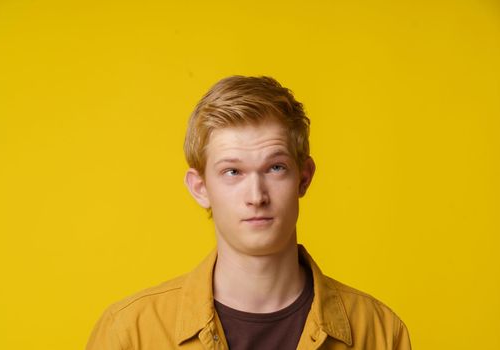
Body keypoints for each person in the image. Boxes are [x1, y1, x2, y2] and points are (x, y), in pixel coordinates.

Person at [86, 76, 411, 350]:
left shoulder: (379, 332)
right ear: (200, 188)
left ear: (304, 177)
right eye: (233, 172)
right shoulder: (130, 333)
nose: (256, 196)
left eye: (275, 168)